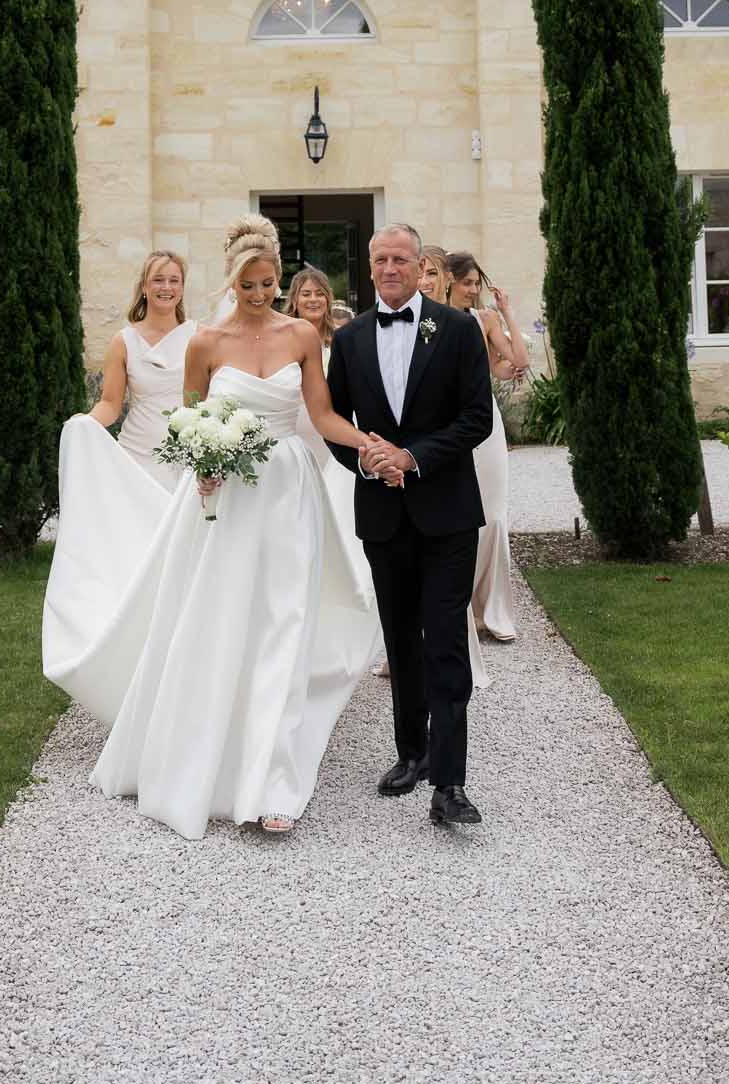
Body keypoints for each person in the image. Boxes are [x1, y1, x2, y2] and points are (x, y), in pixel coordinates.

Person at [42, 215, 380, 841]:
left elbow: (322, 415)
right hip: (224, 500)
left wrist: (368, 446)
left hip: (287, 490)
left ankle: (272, 781)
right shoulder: (205, 343)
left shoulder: (302, 335)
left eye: (268, 284)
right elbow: (187, 422)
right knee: (222, 620)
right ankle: (208, 755)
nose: (259, 296)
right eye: (248, 286)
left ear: (279, 280)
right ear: (233, 282)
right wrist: (200, 465)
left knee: (285, 622)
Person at [326, 224, 492, 829]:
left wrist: (413, 457)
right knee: (399, 636)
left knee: (444, 641)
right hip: (383, 515)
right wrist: (369, 462)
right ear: (368, 268)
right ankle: (411, 752)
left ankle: (450, 783)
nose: (390, 268)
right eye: (380, 260)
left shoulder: (456, 330)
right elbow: (334, 424)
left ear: (420, 263)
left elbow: (477, 418)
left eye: (400, 258)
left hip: (447, 511)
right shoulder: (347, 340)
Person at [284, 266, 383, 665]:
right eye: (305, 293)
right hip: (296, 438)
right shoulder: (282, 338)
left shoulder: (342, 340)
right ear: (293, 298)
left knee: (342, 536)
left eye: (319, 294)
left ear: (328, 299)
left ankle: (355, 624)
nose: (312, 300)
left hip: (334, 443)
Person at [447, 251, 529, 643]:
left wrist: (506, 311)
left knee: (493, 515)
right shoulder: (435, 323)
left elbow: (516, 363)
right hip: (449, 423)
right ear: (450, 281)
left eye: (477, 283)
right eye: (467, 283)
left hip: (486, 423)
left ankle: (492, 609)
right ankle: (457, 607)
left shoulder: (485, 320)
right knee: (458, 516)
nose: (473, 290)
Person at [89, 251, 195, 490]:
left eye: (174, 280)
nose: (166, 287)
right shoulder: (123, 341)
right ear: (144, 287)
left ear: (181, 288)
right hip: (136, 454)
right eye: (158, 279)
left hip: (186, 457)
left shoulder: (198, 337)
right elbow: (110, 404)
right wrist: (86, 422)